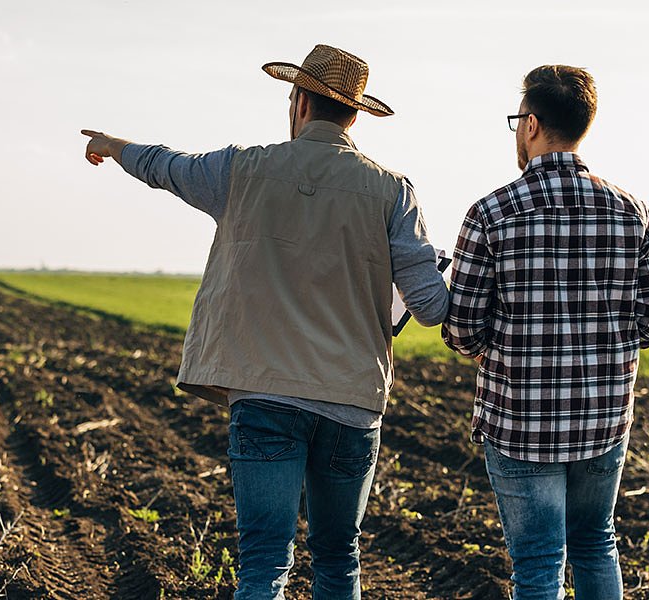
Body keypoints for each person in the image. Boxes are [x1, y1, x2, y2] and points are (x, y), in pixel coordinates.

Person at [81, 44, 448, 600]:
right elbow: (431, 306)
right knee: (337, 561)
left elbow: (165, 166)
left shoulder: (241, 169)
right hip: (352, 401)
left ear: (299, 102)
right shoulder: (393, 191)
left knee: (263, 564)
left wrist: (113, 145)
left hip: (264, 394)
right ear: (353, 115)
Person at [441, 65, 649, 599]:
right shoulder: (633, 213)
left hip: (519, 422)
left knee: (539, 564)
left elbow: (462, 329)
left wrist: (494, 348)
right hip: (603, 418)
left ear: (530, 123)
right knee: (596, 543)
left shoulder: (490, 214)